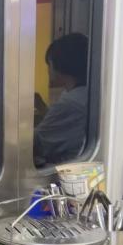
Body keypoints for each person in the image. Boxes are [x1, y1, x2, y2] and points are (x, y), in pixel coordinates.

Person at [34, 33, 90, 167]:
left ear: (59, 66)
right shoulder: (84, 92)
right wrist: (42, 107)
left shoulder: (70, 104)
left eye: (49, 64)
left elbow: (38, 144)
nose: (48, 70)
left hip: (67, 171)